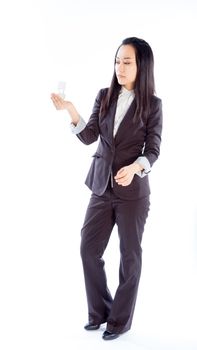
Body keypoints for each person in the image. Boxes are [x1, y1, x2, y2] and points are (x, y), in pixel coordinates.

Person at [51, 37, 163, 341]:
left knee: (129, 256)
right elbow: (89, 136)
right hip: (101, 186)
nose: (120, 67)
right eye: (117, 61)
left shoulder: (152, 105)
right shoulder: (104, 96)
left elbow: (153, 149)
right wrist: (71, 111)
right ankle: (100, 312)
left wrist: (137, 167)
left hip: (132, 193)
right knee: (88, 248)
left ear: (142, 66)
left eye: (127, 62)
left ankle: (120, 320)